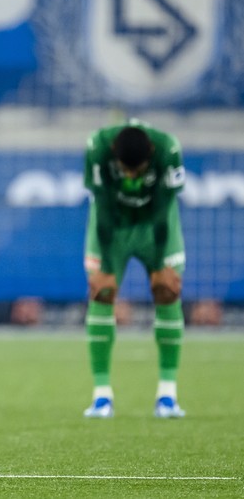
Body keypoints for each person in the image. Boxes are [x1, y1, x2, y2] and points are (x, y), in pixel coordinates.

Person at [81, 120, 187, 419]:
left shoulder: (168, 148)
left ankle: (168, 395)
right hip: (112, 228)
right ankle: (102, 396)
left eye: (137, 170)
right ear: (114, 153)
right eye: (125, 169)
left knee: (167, 292)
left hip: (156, 227)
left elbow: (164, 205)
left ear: (150, 153)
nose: (130, 175)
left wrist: (160, 264)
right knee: (101, 293)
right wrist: (104, 263)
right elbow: (101, 204)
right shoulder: (98, 146)